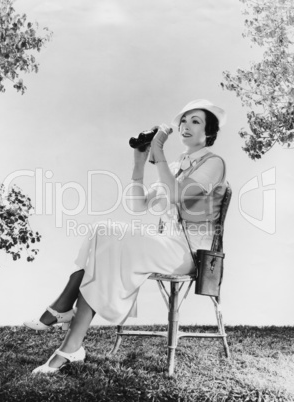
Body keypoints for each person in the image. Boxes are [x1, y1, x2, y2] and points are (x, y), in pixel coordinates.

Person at [24, 99, 227, 374]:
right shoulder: (178, 165)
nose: (186, 125)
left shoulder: (213, 164)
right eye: (184, 120)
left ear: (209, 133)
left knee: (108, 239)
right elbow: (137, 206)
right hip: (165, 244)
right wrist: (140, 161)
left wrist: (158, 151)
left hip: (188, 253)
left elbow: (179, 195)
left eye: (196, 121)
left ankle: (63, 313)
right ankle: (70, 343)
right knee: (102, 230)